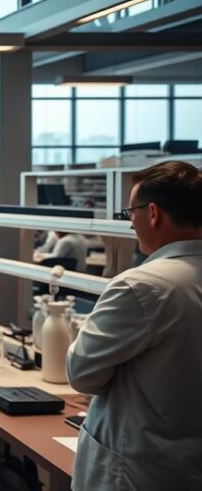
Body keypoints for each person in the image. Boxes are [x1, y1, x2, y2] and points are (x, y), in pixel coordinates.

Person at [66, 161, 202, 491]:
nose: (131, 225)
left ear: (153, 213)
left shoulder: (140, 286)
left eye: (131, 213)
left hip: (135, 471)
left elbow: (82, 374)